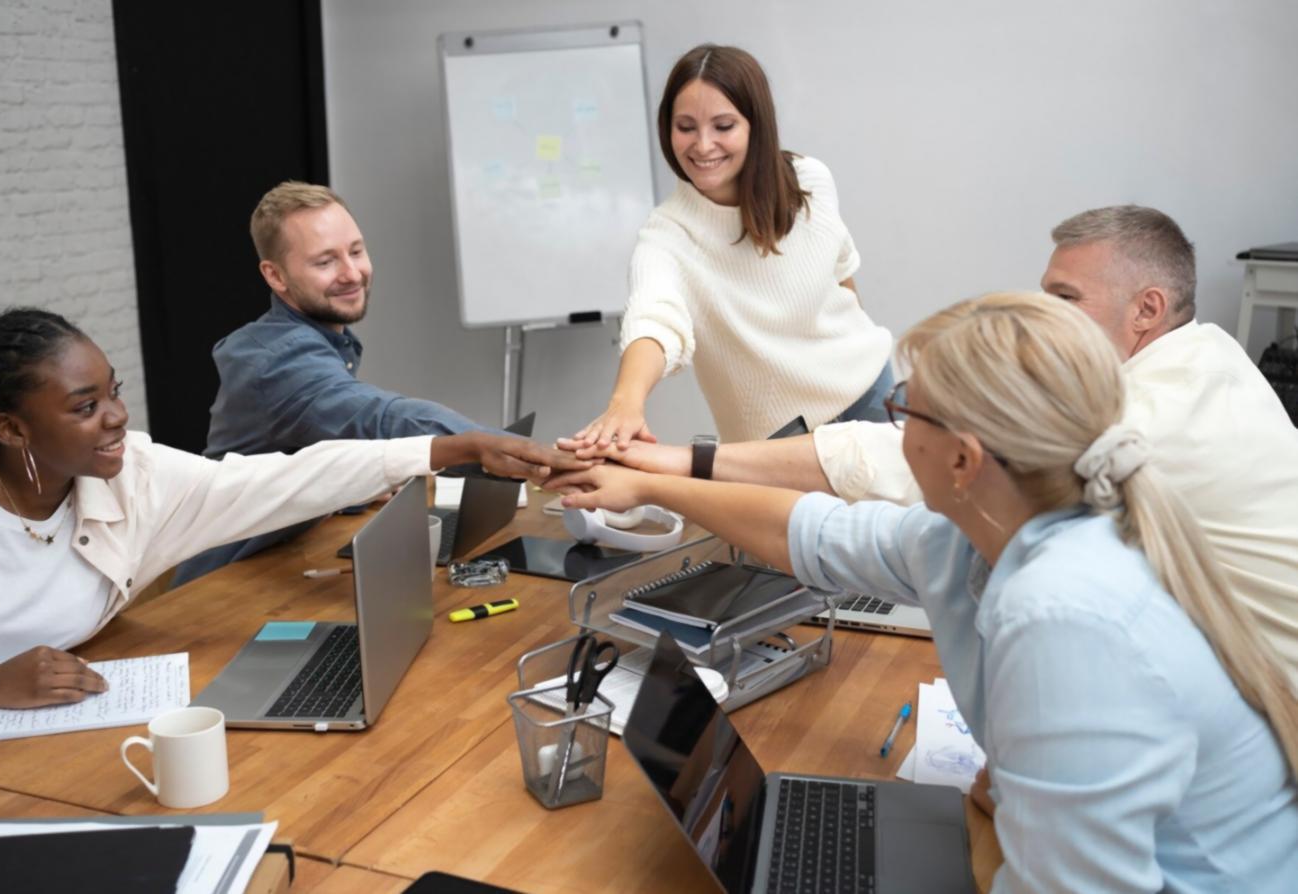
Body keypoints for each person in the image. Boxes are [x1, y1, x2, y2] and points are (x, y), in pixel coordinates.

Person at [547, 293, 1298, 892]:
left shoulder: (1062, 614)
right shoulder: (988, 536)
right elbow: (810, 530)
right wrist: (650, 481)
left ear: (964, 461)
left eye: (905, 408)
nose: (894, 421)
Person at [586, 206, 1298, 681]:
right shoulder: (1207, 363)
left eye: (1065, 298)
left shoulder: (1129, 441)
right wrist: (664, 474)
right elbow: (825, 534)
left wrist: (673, 463)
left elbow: (879, 472)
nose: (1046, 319)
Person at [0, 308, 583, 723]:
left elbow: (286, 479)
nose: (116, 418)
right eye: (85, 406)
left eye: (113, 391)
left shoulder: (134, 474)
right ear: (10, 429)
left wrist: (445, 448)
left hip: (78, 719)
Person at [174, 181, 501, 584]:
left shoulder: (323, 337)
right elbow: (379, 417)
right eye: (325, 261)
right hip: (218, 586)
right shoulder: (278, 359)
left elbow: (295, 464)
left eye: (356, 251)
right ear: (275, 276)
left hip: (279, 559)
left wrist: (349, 492)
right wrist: (499, 449)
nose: (352, 273)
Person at [572, 44, 892, 450]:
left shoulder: (809, 180)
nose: (703, 145)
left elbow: (842, 271)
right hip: (775, 443)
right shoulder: (666, 236)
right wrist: (625, 402)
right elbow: (654, 319)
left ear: (754, 125)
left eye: (723, 126)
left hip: (872, 397)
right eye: (686, 127)